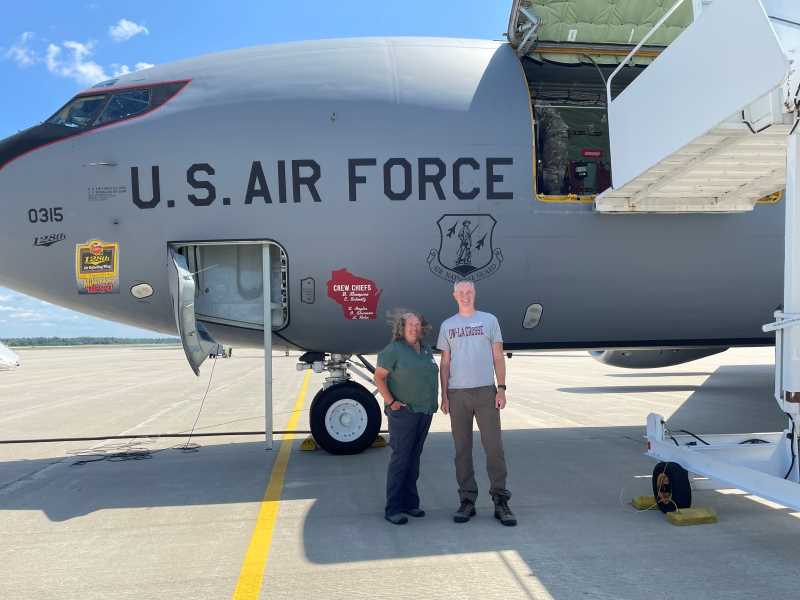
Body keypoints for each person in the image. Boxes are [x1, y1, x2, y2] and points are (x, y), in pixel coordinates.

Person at [437, 280, 516, 526]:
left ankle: (500, 501)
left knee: (494, 448)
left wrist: (501, 388)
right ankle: (467, 500)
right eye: (460, 292)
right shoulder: (447, 325)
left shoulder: (489, 321)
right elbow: (445, 364)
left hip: (485, 393)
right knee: (462, 450)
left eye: (469, 292)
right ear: (454, 296)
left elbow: (497, 356)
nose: (465, 296)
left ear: (475, 293)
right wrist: (444, 395)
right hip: (457, 394)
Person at [374, 311, 439, 525]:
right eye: (409, 324)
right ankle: (393, 508)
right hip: (403, 412)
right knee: (401, 459)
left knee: (414, 458)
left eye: (417, 324)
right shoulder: (393, 350)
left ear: (421, 327)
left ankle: (411, 503)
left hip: (424, 411)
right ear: (402, 328)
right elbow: (380, 377)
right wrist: (391, 402)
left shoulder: (426, 349)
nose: (413, 328)